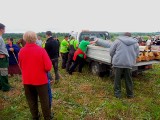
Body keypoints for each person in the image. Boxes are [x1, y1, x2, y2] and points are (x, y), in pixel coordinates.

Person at [19, 31, 52, 120]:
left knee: (31, 100)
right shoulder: (41, 50)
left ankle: (35, 116)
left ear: (24, 39)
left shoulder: (21, 51)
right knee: (44, 100)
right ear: (35, 38)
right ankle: (47, 117)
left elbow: (21, 66)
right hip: (41, 81)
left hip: (27, 81)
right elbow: (48, 67)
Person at [110, 32, 139, 99]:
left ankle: (118, 95)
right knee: (128, 79)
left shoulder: (117, 41)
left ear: (123, 35)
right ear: (130, 36)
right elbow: (137, 54)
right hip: (129, 64)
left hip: (118, 63)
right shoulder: (135, 43)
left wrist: (115, 57)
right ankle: (130, 94)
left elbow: (111, 51)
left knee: (117, 79)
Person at [0, 23, 11, 92]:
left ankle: (1, 86)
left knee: (2, 73)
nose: (5, 31)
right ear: (1, 29)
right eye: (4, 29)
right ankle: (6, 88)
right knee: (4, 73)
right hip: (2, 59)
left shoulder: (1, 37)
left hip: (3, 58)